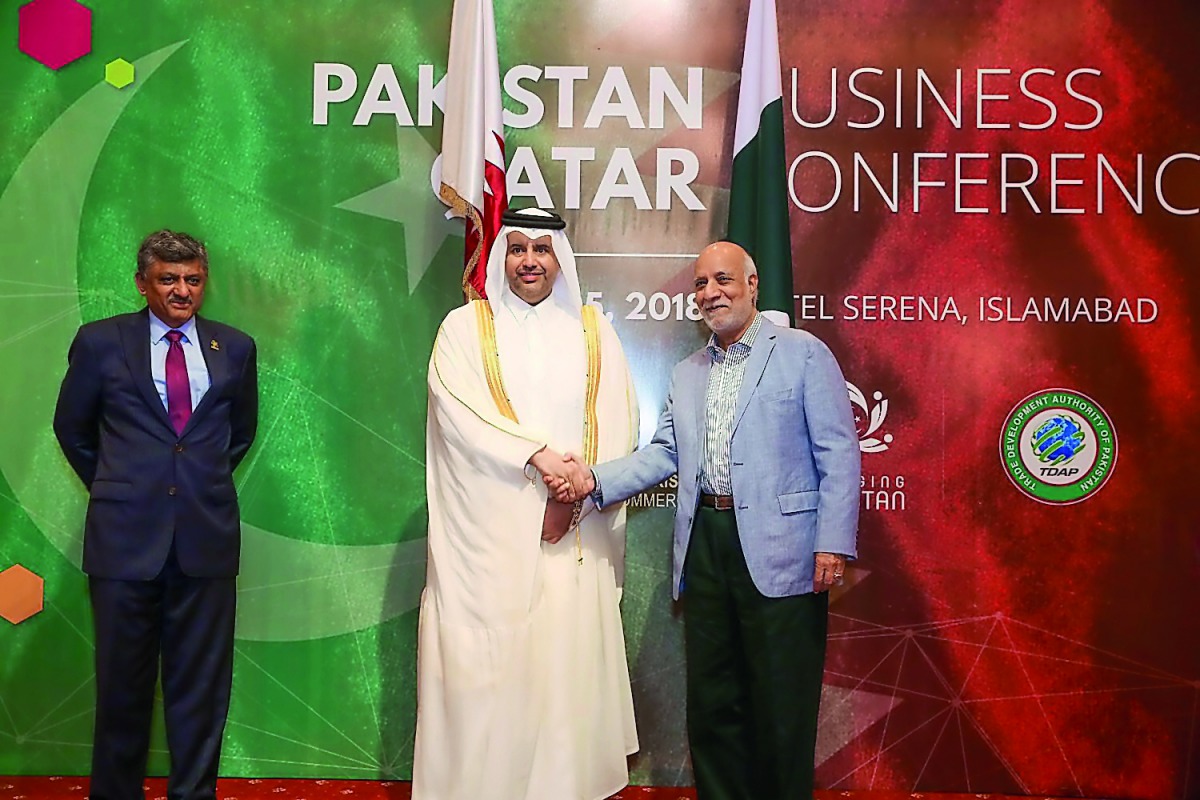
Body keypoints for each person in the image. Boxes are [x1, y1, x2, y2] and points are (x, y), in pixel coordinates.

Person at [551, 241, 860, 800]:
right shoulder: (688, 373)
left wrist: (831, 544)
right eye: (700, 284)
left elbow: (838, 452)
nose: (711, 293)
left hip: (785, 549)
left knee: (781, 702)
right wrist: (593, 480)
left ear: (752, 283)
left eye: (723, 279)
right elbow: (664, 454)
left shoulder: (802, 352)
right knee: (714, 701)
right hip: (706, 547)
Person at [414, 208, 640, 800]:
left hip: (574, 533)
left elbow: (619, 421)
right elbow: (459, 416)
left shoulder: (592, 329)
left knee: (564, 671)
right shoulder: (465, 328)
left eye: (542, 250)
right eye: (517, 250)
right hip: (493, 534)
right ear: (499, 259)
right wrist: (539, 462)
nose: (530, 261)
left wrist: (576, 493)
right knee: (494, 674)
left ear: (560, 259)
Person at [53, 230, 259, 800]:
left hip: (206, 543)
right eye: (168, 280)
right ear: (143, 283)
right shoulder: (99, 343)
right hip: (124, 544)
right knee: (123, 691)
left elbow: (238, 436)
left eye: (192, 279)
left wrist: (191, 486)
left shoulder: (235, 348)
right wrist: (121, 486)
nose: (181, 291)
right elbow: (72, 429)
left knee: (201, 692)